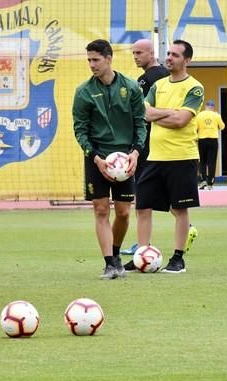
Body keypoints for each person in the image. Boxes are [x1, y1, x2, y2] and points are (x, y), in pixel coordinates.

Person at [72, 39, 146, 279]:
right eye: (89, 60)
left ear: (109, 58)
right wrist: (95, 158)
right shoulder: (83, 92)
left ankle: (115, 255)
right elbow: (80, 130)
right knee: (101, 209)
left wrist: (135, 153)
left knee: (124, 212)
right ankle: (109, 264)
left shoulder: (131, 87)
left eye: (96, 60)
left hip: (125, 160)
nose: (91, 65)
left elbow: (140, 123)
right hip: (97, 158)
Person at [123, 38, 198, 259]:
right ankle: (142, 254)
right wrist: (168, 112)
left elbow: (180, 120)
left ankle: (178, 255)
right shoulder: (157, 84)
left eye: (139, 53)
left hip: (176, 154)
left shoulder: (186, 84)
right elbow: (145, 113)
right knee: (143, 203)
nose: (135, 56)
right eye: (133, 53)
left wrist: (158, 115)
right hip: (155, 152)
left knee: (175, 204)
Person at [197, 99, 225, 190]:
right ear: (213, 107)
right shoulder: (216, 115)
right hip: (213, 140)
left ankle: (202, 181)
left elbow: (195, 127)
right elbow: (222, 127)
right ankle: (210, 184)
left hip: (202, 140)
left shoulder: (199, 115)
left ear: (205, 107)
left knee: (202, 162)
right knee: (211, 162)